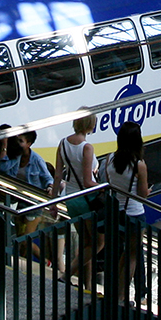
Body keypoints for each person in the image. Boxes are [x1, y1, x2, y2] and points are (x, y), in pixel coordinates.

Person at [106, 120, 150, 300]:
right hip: (134, 213)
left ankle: (116, 290)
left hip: (116, 211)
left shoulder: (110, 158)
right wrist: (147, 191)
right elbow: (142, 194)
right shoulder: (139, 164)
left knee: (123, 255)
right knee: (132, 256)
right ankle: (122, 297)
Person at [56, 112, 100, 285]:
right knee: (97, 243)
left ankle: (86, 284)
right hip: (86, 200)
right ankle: (66, 275)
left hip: (71, 199)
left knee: (86, 243)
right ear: (89, 124)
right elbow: (88, 181)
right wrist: (106, 188)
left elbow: (58, 175)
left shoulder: (63, 144)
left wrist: (54, 203)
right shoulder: (86, 147)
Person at [0, 129, 57, 261]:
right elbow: (3, 168)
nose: (18, 143)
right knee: (20, 236)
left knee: (25, 238)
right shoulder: (15, 156)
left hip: (34, 204)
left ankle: (45, 262)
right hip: (18, 201)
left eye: (21, 141)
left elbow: (48, 178)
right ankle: (22, 261)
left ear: (29, 143)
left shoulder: (36, 160)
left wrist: (49, 187)